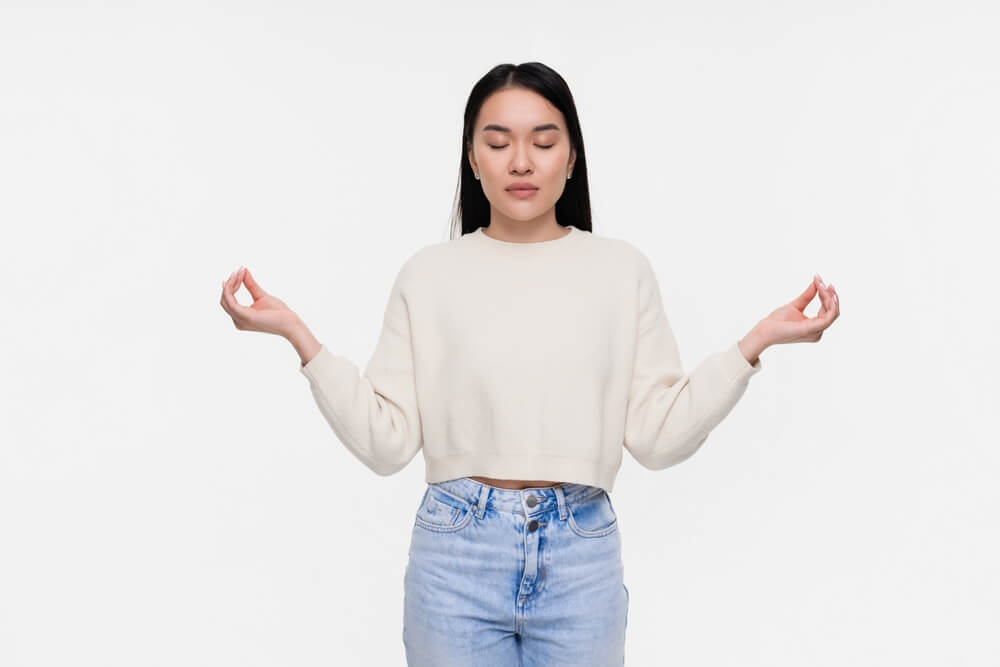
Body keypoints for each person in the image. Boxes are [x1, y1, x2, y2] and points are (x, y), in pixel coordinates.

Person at [219, 61, 839, 666]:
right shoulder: (430, 275)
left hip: (582, 553)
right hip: (455, 553)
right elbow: (387, 443)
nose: (521, 161)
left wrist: (753, 344)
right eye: (498, 142)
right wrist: (296, 336)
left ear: (571, 158)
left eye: (544, 142)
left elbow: (658, 435)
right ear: (472, 157)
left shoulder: (620, 271)